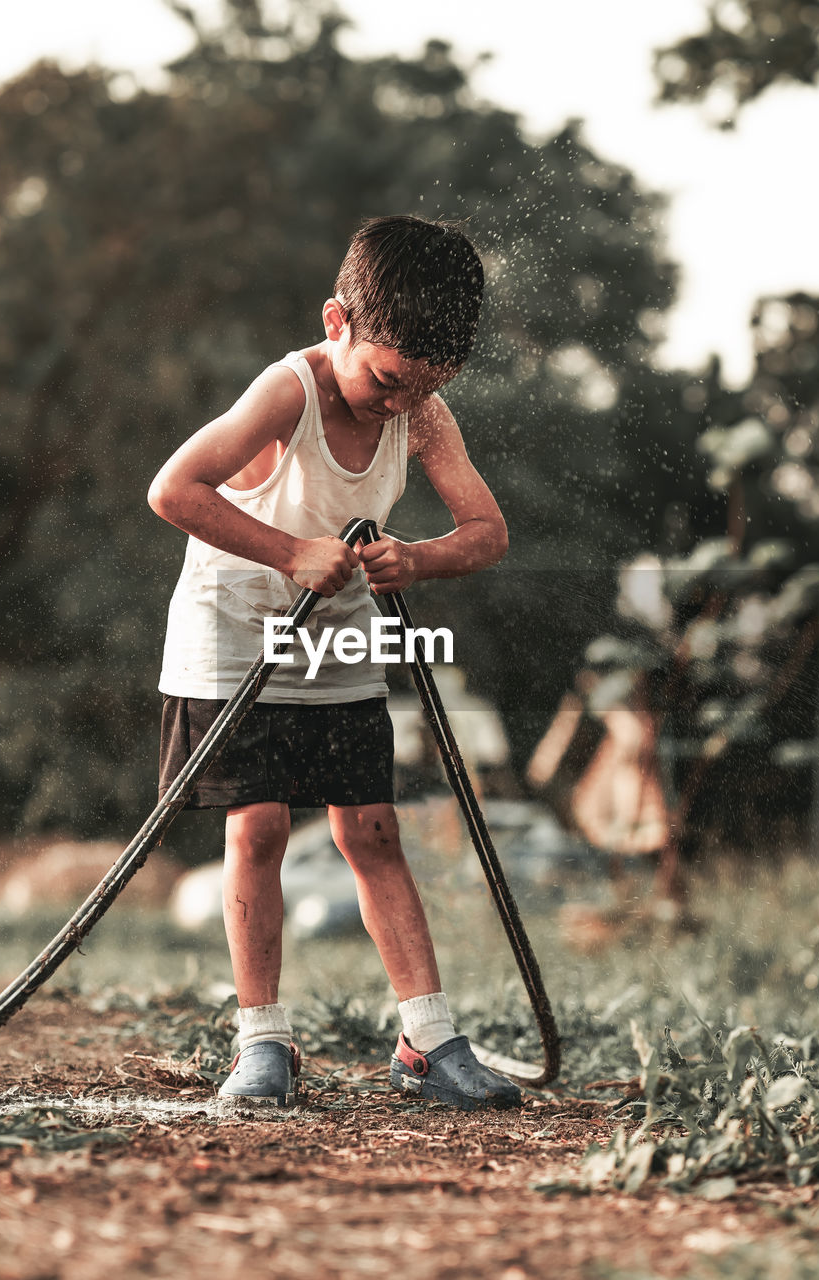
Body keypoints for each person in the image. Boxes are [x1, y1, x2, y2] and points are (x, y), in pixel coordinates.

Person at [148, 215, 521, 1110]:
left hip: (338, 636)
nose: (398, 404)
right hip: (233, 628)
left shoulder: (423, 411)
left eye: (424, 388)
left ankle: (427, 1039)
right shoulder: (289, 394)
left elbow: (487, 533)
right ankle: (262, 1043)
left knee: (372, 831)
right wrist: (288, 552)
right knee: (260, 828)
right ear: (336, 323)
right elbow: (173, 490)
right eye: (387, 379)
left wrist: (416, 556)